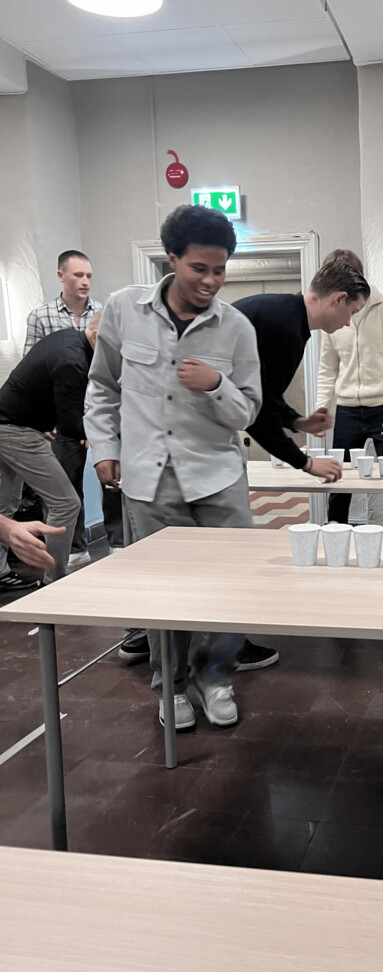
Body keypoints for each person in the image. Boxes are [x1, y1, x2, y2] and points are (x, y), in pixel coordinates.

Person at [85, 204, 262, 731]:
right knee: (166, 594)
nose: (210, 281)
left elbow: (247, 411)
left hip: (218, 478)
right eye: (199, 268)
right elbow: (101, 385)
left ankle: (216, 679)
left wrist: (216, 385)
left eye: (220, 270)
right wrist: (104, 446)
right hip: (148, 480)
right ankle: (171, 687)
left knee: (233, 587)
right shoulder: (124, 309)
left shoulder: (236, 328)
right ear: (172, 259)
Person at [231, 259, 369, 670]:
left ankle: (148, 637)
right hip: (196, 437)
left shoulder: (284, 314)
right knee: (229, 547)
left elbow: (263, 394)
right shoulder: (287, 328)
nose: (348, 322)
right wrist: (305, 462)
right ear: (338, 299)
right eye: (351, 311)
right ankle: (219, 648)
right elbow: (255, 411)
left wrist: (298, 422)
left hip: (202, 432)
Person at [315, 249, 383, 526]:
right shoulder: (331, 316)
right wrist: (321, 408)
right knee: (339, 486)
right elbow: (327, 368)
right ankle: (334, 539)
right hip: (347, 412)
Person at [24, 250, 111, 569]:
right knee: (64, 485)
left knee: (111, 476)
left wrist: (96, 422)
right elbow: (32, 365)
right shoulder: (41, 316)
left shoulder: (103, 313)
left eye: (89, 275)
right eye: (78, 275)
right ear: (61, 276)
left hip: (100, 410)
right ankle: (70, 551)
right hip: (60, 418)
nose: (85, 281)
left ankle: (117, 543)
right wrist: (44, 418)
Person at [0, 316, 99, 586]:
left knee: (5, 503)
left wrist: (42, 421)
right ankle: (55, 581)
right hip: (15, 431)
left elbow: (42, 386)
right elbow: (70, 425)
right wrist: (101, 433)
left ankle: (1, 572)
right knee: (66, 503)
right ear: (97, 336)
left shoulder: (70, 339)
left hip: (11, 422)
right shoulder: (73, 360)